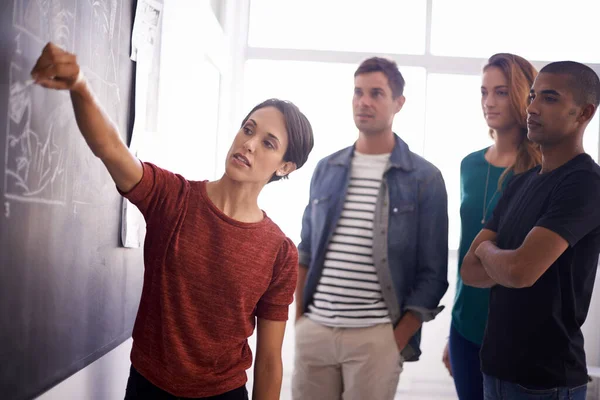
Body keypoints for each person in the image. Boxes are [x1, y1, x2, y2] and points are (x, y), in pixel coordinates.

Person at [30, 42, 314, 400]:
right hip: (148, 388)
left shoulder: (280, 252)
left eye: (268, 143)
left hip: (223, 393)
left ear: (285, 167)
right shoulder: (174, 198)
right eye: (248, 129)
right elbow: (112, 149)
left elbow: (270, 361)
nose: (249, 144)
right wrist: (80, 86)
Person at [292, 57, 449, 400]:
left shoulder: (425, 178)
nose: (364, 101)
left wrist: (395, 340)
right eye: (358, 92)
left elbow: (434, 273)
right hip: (315, 332)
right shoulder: (326, 168)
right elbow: (305, 250)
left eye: (376, 93)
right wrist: (301, 319)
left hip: (376, 337)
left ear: (398, 103)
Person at [461, 61, 600, 400]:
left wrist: (488, 251)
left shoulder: (584, 182)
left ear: (584, 112)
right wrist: (503, 263)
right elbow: (469, 271)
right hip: (494, 370)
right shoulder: (520, 182)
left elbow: (522, 271)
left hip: (545, 381)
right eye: (534, 96)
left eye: (550, 99)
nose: (532, 107)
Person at [442, 53, 541, 400]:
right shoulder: (469, 164)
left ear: (525, 97)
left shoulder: (541, 171)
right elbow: (467, 242)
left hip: (516, 333)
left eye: (500, 92)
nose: (488, 102)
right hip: (464, 328)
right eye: (484, 92)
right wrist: (451, 335)